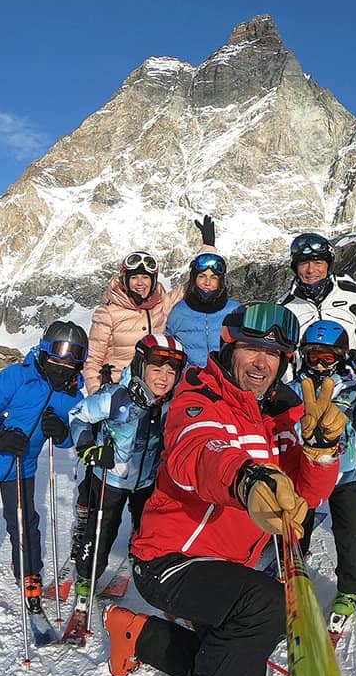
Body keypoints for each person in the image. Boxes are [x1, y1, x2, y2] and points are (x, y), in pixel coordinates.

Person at [104, 302, 346, 676]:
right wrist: (248, 478)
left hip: (226, 565)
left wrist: (319, 451)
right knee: (268, 607)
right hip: (168, 560)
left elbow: (309, 494)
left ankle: (135, 633)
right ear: (229, 349)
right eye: (252, 350)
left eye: (274, 354)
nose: (262, 363)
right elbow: (197, 453)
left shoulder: (281, 413)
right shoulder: (200, 397)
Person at [0, 321, 85, 622]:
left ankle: (28, 572)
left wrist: (61, 432)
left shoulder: (73, 395)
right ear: (46, 351)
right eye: (59, 355)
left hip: (23, 467)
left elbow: (76, 432)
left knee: (23, 522)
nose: (64, 364)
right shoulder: (17, 377)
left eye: (73, 358)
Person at [279, 232, 356, 552]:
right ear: (295, 267)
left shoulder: (350, 293)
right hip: (309, 391)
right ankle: (300, 518)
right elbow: (285, 355)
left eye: (318, 262)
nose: (311, 269)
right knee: (308, 456)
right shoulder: (287, 306)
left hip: (352, 387)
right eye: (304, 263)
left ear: (328, 263)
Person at [66, 334, 189, 600]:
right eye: (157, 369)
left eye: (171, 371)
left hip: (147, 480)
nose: (163, 377)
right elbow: (78, 416)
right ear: (141, 366)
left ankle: (140, 557)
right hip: (110, 477)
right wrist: (89, 447)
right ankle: (87, 573)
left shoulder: (170, 405)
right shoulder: (116, 397)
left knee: (146, 524)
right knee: (103, 529)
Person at [288, 320, 356, 634]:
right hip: (304, 472)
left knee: (352, 531)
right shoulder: (294, 389)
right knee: (293, 525)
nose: (319, 363)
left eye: (327, 357)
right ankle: (291, 571)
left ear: (341, 357)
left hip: (342, 470)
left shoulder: (350, 387)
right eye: (313, 355)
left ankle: (351, 587)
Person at [83, 215, 216, 393]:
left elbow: (192, 285)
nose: (140, 283)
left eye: (145, 277)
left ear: (153, 281)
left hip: (155, 389)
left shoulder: (161, 305)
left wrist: (208, 249)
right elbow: (92, 361)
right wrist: (98, 396)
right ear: (125, 281)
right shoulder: (108, 313)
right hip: (119, 391)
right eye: (134, 278)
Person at [165, 251, 241, 368]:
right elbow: (169, 350)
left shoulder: (234, 311)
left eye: (213, 278)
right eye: (202, 276)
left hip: (225, 380)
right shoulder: (179, 312)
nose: (207, 283)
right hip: (190, 381)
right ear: (194, 279)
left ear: (220, 282)